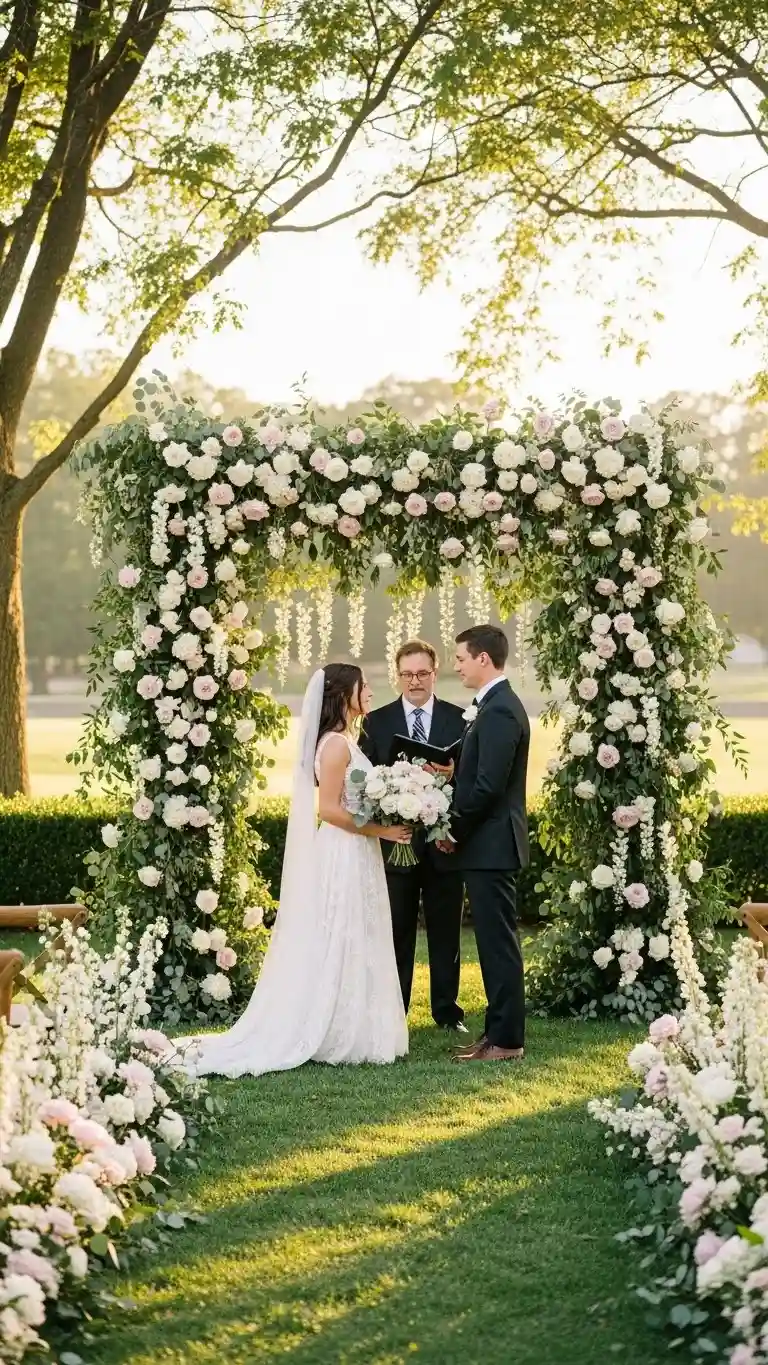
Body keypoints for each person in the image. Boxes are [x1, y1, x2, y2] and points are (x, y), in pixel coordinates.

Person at [179, 664, 410, 1078]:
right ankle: (336, 1027)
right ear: (344, 694)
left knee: (357, 930)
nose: (370, 692)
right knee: (342, 930)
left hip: (357, 848)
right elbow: (330, 810)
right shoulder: (336, 745)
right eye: (364, 686)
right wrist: (384, 830)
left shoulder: (344, 739)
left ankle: (356, 1023)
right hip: (344, 850)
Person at [359, 640, 468, 1032]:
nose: (415, 681)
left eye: (422, 673)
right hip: (396, 845)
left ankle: (447, 1013)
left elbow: (473, 780)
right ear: (397, 676)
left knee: (446, 933)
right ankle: (395, 1012)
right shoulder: (376, 721)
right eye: (407, 674)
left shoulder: (460, 719)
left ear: (435, 673)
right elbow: (363, 782)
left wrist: (453, 776)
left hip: (444, 845)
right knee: (395, 934)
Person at [437, 624, 530, 1063]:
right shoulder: (491, 706)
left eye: (460, 658)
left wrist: (452, 828)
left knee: (498, 946)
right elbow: (478, 773)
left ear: (483, 659)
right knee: (493, 945)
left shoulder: (500, 711)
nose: (456, 666)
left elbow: (489, 787)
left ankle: (507, 1041)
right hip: (487, 846)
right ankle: (495, 1034)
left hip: (492, 845)